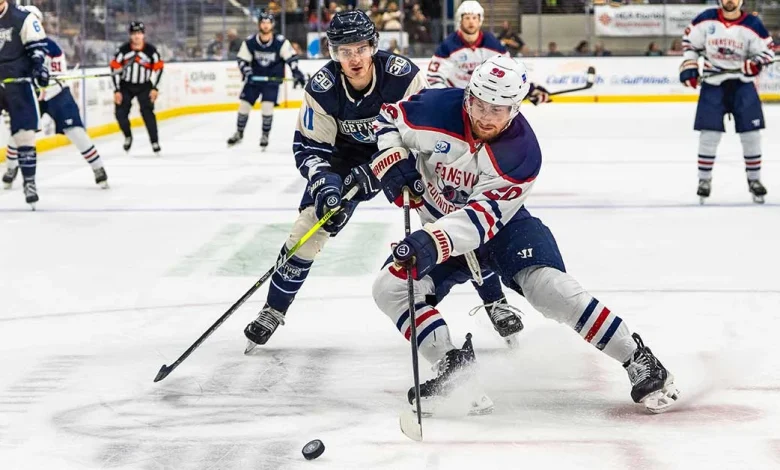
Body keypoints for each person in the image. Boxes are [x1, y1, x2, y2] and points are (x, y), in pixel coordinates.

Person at [370, 55, 680, 416]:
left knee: (549, 289)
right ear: (468, 95)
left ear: (515, 109)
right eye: (480, 104)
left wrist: (430, 241)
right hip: (442, 227)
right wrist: (393, 161)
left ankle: (638, 359)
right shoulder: (436, 109)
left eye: (498, 110)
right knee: (389, 288)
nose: (486, 116)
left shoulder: (522, 153)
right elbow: (388, 116)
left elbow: (481, 220)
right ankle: (454, 370)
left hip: (503, 228)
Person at [242, 10, 428, 352]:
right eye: (344, 51)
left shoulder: (402, 77)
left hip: (402, 155)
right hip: (344, 159)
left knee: (446, 217)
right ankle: (273, 309)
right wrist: (326, 184)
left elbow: (424, 137)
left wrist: (380, 170)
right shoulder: (323, 88)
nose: (354, 59)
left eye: (360, 49)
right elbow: (311, 147)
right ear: (333, 53)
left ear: (373, 46)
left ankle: (492, 298)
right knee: (309, 227)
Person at [679, 0, 774, 203]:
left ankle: (754, 180)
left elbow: (768, 51)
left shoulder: (752, 24)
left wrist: (755, 64)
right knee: (709, 134)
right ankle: (704, 180)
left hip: (743, 85)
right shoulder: (706, 19)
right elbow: (690, 44)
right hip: (713, 83)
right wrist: (690, 64)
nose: (730, 1)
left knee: (751, 134)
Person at [4, 6, 107, 191]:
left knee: (75, 131)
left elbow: (56, 75)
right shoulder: (14, 47)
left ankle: (98, 167)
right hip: (32, 94)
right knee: (19, 132)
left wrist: (43, 79)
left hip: (56, 95)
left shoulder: (51, 47)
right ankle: (11, 170)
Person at [226, 12, 306, 149]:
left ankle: (265, 135)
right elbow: (242, 60)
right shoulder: (250, 42)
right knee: (244, 106)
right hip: (253, 80)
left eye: (268, 23)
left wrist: (296, 72)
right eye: (263, 22)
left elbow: (291, 58)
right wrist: (247, 72)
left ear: (272, 25)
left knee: (267, 106)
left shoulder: (280, 42)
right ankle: (239, 133)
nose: (265, 25)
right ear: (259, 24)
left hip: (272, 80)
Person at [0, 0, 48, 208]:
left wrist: (39, 67)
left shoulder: (23, 18)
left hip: (17, 84)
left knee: (25, 134)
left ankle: (29, 182)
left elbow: (36, 47)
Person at [110, 21, 164, 155]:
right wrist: (117, 90)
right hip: (126, 85)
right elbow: (114, 69)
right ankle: (128, 136)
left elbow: (159, 69)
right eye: (134, 34)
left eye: (139, 33)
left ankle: (154, 141)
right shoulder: (123, 50)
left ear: (143, 35)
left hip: (144, 85)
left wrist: (155, 88)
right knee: (120, 113)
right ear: (130, 35)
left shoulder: (151, 51)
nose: (136, 37)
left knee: (148, 113)